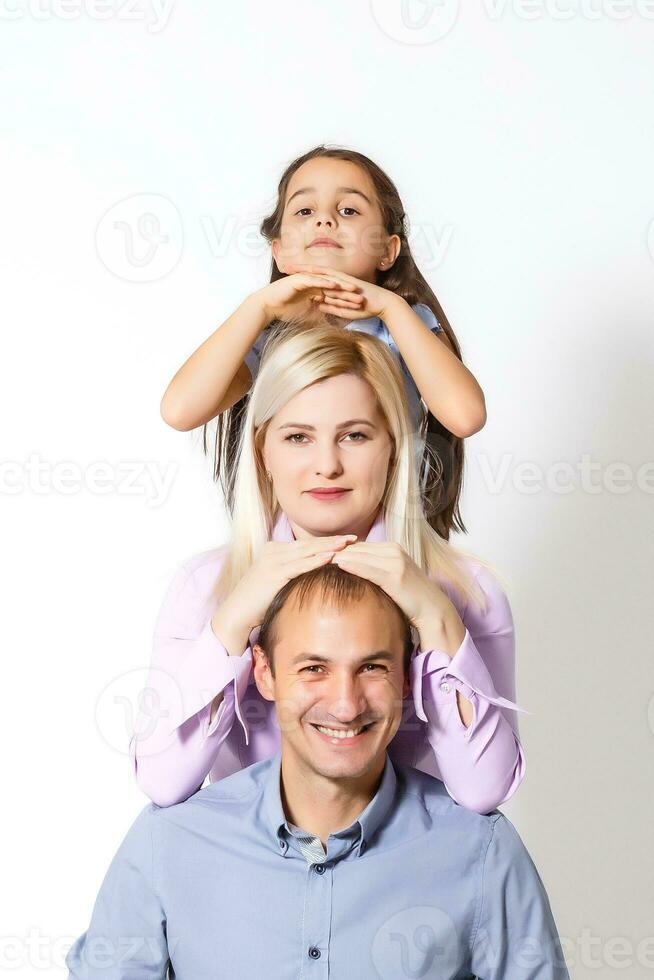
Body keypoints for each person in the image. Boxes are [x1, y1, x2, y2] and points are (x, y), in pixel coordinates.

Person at [69, 564, 567, 979]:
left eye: (372, 667)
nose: (346, 705)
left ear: (408, 676)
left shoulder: (481, 851)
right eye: (314, 668)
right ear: (264, 672)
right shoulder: (168, 844)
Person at [130, 322, 526, 813]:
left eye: (355, 436)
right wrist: (233, 623)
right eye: (298, 437)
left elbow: (483, 789)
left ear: (395, 448)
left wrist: (437, 617)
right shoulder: (206, 587)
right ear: (263, 453)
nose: (327, 465)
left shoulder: (468, 589)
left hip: (411, 873)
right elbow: (164, 783)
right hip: (254, 867)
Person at [160, 144, 488, 539]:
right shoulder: (267, 340)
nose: (325, 221)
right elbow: (180, 410)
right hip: (301, 540)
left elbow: (465, 416)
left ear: (388, 249)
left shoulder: (403, 328)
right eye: (304, 211)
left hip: (395, 539)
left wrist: (391, 307)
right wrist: (258, 307)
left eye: (348, 210)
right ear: (278, 251)